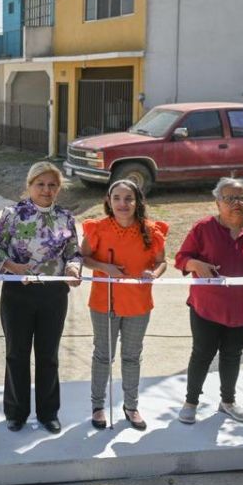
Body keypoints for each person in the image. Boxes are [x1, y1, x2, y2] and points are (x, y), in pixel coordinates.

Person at [174, 178, 243, 425]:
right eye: (229, 198)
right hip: (206, 307)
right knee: (202, 354)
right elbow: (181, 258)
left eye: (242, 198)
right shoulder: (203, 228)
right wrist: (196, 264)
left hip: (242, 308)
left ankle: (228, 402)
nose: (236, 203)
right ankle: (191, 402)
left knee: (232, 355)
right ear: (218, 202)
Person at [0, 161, 82, 434]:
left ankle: (48, 413)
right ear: (29, 186)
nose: (47, 190)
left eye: (52, 185)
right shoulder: (12, 214)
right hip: (18, 293)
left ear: (59, 188)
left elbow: (73, 251)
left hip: (53, 294)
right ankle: (16, 412)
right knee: (17, 354)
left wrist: (72, 267)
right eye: (40, 184)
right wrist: (11, 265)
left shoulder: (65, 217)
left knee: (48, 355)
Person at [80, 179, 168, 431]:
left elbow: (162, 262)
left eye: (128, 198)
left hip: (138, 303)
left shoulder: (151, 230)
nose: (123, 203)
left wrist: (155, 273)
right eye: (117, 198)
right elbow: (84, 257)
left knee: (131, 357)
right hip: (103, 301)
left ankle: (131, 406)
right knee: (103, 355)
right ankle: (98, 406)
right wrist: (103, 267)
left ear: (137, 201)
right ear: (108, 201)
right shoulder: (97, 228)